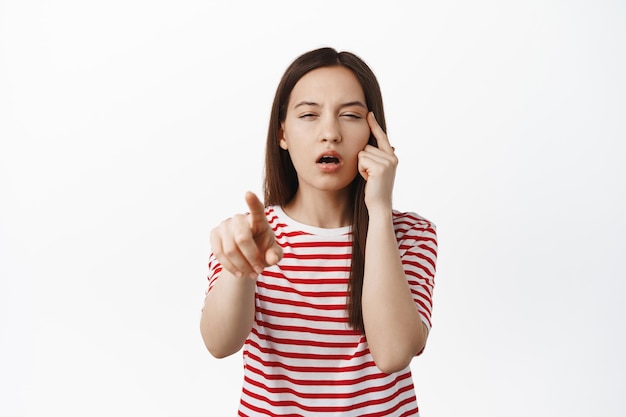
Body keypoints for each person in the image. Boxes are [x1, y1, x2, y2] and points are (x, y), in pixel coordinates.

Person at [200, 47, 438, 416]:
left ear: (374, 135)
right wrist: (241, 268)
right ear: (282, 133)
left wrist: (378, 208)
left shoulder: (410, 234)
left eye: (350, 115)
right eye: (309, 115)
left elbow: (392, 353)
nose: (330, 133)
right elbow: (218, 344)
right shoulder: (249, 234)